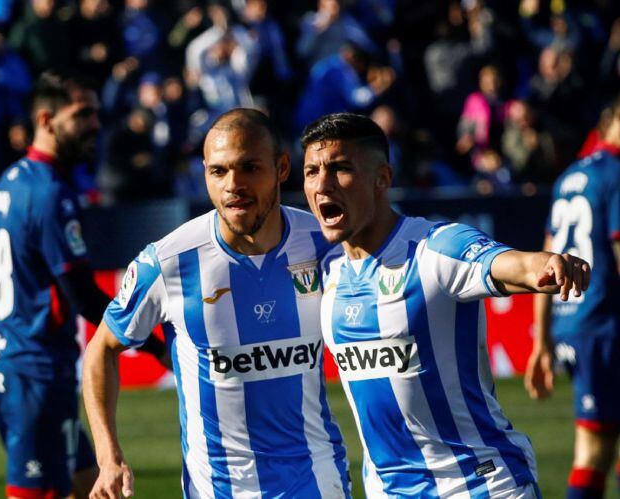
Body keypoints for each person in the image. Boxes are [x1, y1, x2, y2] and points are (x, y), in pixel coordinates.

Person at [300, 112, 590, 497]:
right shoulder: (329, 274)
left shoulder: (435, 248)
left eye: (340, 168)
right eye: (311, 171)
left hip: (482, 485)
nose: (322, 184)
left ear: (382, 178)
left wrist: (547, 264)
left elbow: (507, 263)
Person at [84, 108, 351, 499]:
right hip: (218, 489)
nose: (233, 185)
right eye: (219, 171)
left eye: (249, 168)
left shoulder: (325, 244)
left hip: (318, 479)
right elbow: (101, 349)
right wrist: (108, 457)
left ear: (280, 168)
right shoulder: (169, 261)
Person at [0, 70, 165, 499]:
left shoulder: (10, 180)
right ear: (46, 119)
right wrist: (155, 347)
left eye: (96, 113)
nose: (95, 124)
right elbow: (82, 296)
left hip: (4, 360)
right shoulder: (50, 193)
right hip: (36, 369)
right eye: (82, 115)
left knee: (90, 485)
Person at [525, 97, 620, 499]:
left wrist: (541, 340)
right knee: (592, 452)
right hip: (606, 324)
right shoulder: (616, 172)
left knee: (599, 445)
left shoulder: (569, 177)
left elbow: (547, 261)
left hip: (574, 318)